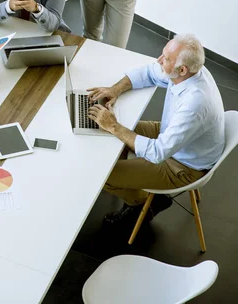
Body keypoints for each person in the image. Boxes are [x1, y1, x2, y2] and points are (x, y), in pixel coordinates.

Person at [87, 34, 225, 226]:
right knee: (112, 130)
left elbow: (158, 152)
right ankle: (128, 177)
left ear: (182, 69)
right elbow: (150, 72)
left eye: (166, 59)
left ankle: (143, 204)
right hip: (175, 137)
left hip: (183, 165)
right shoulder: (190, 71)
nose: (159, 60)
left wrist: (114, 126)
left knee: (104, 175)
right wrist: (115, 89)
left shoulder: (195, 104)